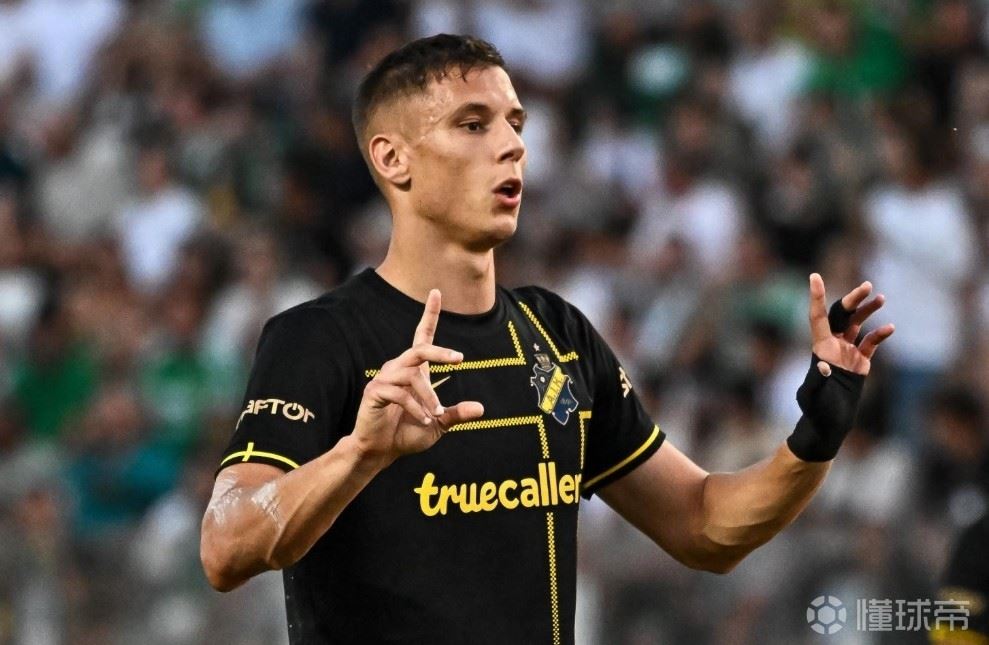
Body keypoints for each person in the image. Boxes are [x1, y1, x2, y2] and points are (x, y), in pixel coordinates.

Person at [199, 34, 894, 644]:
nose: (512, 145)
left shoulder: (556, 335)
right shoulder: (320, 338)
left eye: (515, 123)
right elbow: (225, 547)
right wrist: (358, 455)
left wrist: (814, 439)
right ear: (392, 159)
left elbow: (704, 525)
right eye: (473, 124)